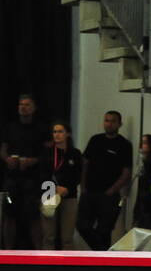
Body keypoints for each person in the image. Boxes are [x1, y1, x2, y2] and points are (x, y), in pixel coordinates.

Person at [77, 109, 132, 250]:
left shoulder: (124, 144)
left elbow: (126, 172)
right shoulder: (95, 140)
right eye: (106, 120)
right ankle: (102, 252)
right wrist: (83, 187)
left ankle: (103, 259)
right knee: (82, 225)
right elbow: (85, 163)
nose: (109, 124)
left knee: (104, 231)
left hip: (109, 195)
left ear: (120, 124)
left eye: (113, 121)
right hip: (89, 192)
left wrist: (112, 190)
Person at [1, 93, 46, 249]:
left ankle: (38, 251)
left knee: (34, 216)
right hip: (12, 179)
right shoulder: (10, 127)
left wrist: (32, 161)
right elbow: (3, 149)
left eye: (27, 105)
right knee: (9, 215)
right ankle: (7, 252)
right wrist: (7, 159)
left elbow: (46, 153)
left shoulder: (41, 128)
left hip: (32, 179)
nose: (23, 107)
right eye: (21, 105)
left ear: (34, 108)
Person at [37, 120, 84, 250]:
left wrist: (66, 188)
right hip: (49, 194)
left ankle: (68, 268)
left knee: (67, 238)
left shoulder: (75, 153)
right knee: (48, 236)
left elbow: (78, 176)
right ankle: (46, 267)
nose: (57, 134)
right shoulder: (47, 153)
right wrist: (55, 188)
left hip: (69, 195)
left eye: (60, 131)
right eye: (54, 131)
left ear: (67, 134)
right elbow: (42, 175)